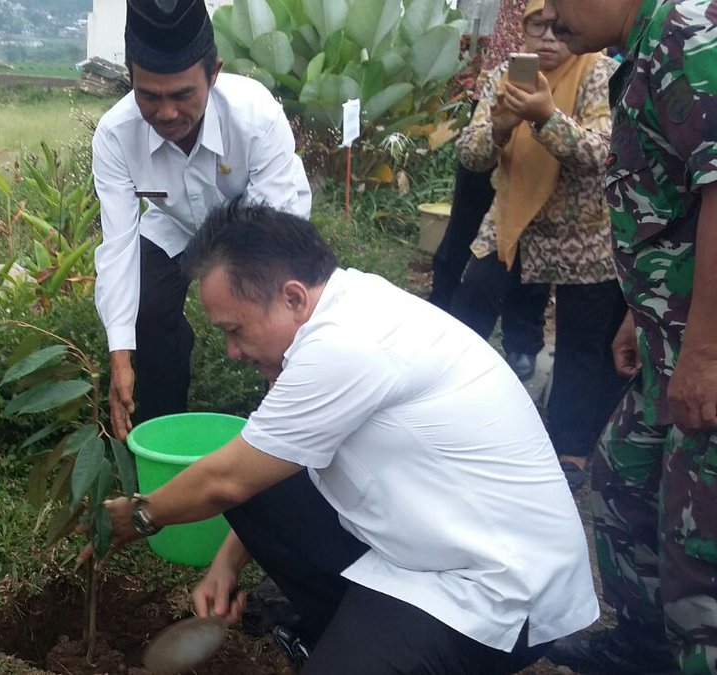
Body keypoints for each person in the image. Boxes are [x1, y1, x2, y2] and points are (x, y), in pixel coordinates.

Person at [81, 201, 599, 674]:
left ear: (292, 297)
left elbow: (227, 481)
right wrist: (225, 562)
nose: (232, 352)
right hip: (429, 540)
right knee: (259, 477)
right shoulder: (345, 303)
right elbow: (257, 470)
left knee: (230, 480)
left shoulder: (346, 346)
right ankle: (350, 634)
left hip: (493, 587)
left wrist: (138, 516)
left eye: (234, 330)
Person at [537, 0, 717, 670]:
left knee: (699, 547)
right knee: (622, 481)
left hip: (704, 354)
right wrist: (638, 315)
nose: (550, 18)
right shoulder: (641, 48)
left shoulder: (689, 40)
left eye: (557, 1)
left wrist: (704, 350)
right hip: (668, 342)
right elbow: (669, 208)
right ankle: (641, 648)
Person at [92, 0, 311, 441]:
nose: (167, 113)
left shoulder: (255, 116)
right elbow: (117, 247)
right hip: (172, 225)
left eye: (183, 95)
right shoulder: (116, 135)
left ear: (214, 74)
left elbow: (276, 242)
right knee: (146, 310)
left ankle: (284, 420)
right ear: (130, 79)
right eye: (149, 96)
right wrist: (121, 354)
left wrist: (269, 340)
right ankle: (160, 430)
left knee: (281, 317)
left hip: (257, 224)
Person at [449, 0, 628, 490]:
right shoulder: (507, 75)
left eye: (559, 27)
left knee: (580, 348)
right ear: (523, 29)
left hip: (582, 238)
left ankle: (569, 453)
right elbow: (471, 153)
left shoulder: (601, 73)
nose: (548, 38)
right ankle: (450, 418)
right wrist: (504, 125)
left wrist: (547, 117)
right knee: (467, 318)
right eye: (537, 26)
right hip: (509, 226)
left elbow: (601, 152)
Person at [429, 0, 548, 382]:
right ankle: (445, 326)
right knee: (464, 232)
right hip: (497, 91)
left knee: (528, 245)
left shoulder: (573, 42)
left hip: (548, 104)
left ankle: (521, 344)